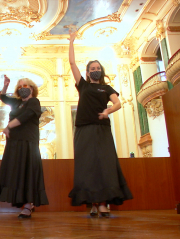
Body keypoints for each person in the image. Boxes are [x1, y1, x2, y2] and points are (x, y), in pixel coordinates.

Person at [67, 30, 133, 217]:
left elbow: (118, 103)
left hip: (102, 129)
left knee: (104, 165)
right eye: (92, 68)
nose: (96, 70)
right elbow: (72, 63)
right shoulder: (83, 85)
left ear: (101, 71)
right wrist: (72, 41)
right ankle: (93, 203)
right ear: (88, 73)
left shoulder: (106, 87)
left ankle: (103, 203)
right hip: (83, 130)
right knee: (87, 166)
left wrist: (107, 111)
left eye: (98, 68)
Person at [0, 76, 49, 218]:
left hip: (28, 142)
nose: (23, 88)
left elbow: (27, 116)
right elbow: (3, 97)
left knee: (28, 172)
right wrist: (5, 85)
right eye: (20, 86)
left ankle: (29, 205)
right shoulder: (16, 102)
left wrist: (9, 126)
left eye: (26, 86)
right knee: (17, 172)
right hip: (14, 142)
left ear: (31, 88)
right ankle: (23, 202)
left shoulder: (34, 102)